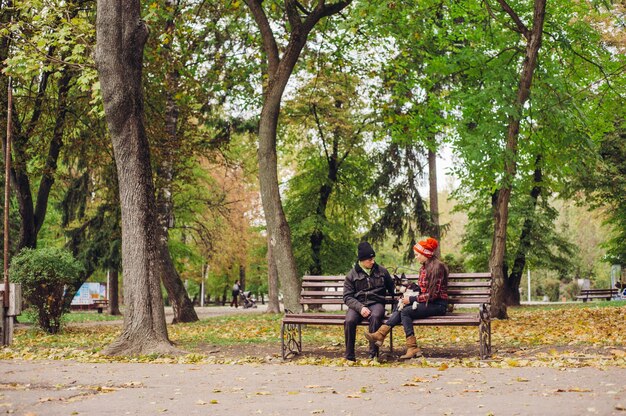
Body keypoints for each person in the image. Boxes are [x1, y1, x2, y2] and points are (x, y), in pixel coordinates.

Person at [365, 237, 448, 359]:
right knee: (401, 307)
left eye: (417, 255)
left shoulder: (437, 268)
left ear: (425, 253)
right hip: (427, 302)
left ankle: (410, 347)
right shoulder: (423, 268)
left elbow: (433, 295)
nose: (416, 257)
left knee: (405, 312)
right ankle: (381, 334)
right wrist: (407, 296)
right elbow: (422, 290)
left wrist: (412, 300)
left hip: (438, 305)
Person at [343, 241, 395, 361]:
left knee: (376, 316)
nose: (372, 262)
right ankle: (349, 356)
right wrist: (360, 308)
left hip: (376, 302)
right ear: (361, 260)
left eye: (373, 259)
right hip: (358, 304)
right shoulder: (351, 275)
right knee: (349, 321)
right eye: (369, 260)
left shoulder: (382, 271)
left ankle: (373, 354)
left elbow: (392, 288)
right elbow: (347, 297)